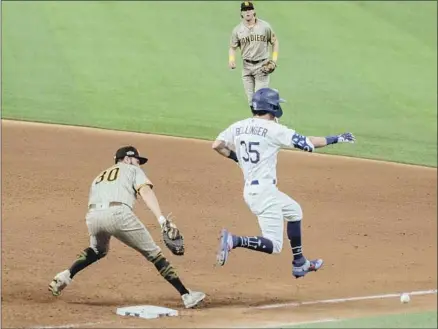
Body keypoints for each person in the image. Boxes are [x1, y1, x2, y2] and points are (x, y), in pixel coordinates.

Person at [212, 88, 356, 278]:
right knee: (274, 245)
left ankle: (300, 263)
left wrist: (238, 159)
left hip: (254, 189)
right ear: (272, 107)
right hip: (264, 193)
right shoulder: (275, 129)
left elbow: (217, 145)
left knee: (294, 210)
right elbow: (308, 143)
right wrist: (336, 138)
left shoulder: (238, 126)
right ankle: (234, 240)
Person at [48, 146, 205, 309]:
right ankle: (186, 295)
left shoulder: (99, 176)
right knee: (155, 254)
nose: (139, 164)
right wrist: (161, 219)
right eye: (137, 160)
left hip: (93, 216)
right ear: (128, 158)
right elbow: (145, 191)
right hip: (118, 215)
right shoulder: (132, 170)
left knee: (97, 250)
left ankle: (65, 275)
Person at [229, 1, 280, 110]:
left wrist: (274, 61)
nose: (247, 12)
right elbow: (233, 47)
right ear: (241, 13)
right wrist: (231, 59)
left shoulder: (264, 26)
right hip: (246, 68)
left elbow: (275, 42)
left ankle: (272, 120)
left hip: (262, 66)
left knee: (260, 99)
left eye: (249, 10)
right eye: (245, 10)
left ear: (254, 11)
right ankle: (259, 122)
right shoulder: (237, 30)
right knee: (251, 101)